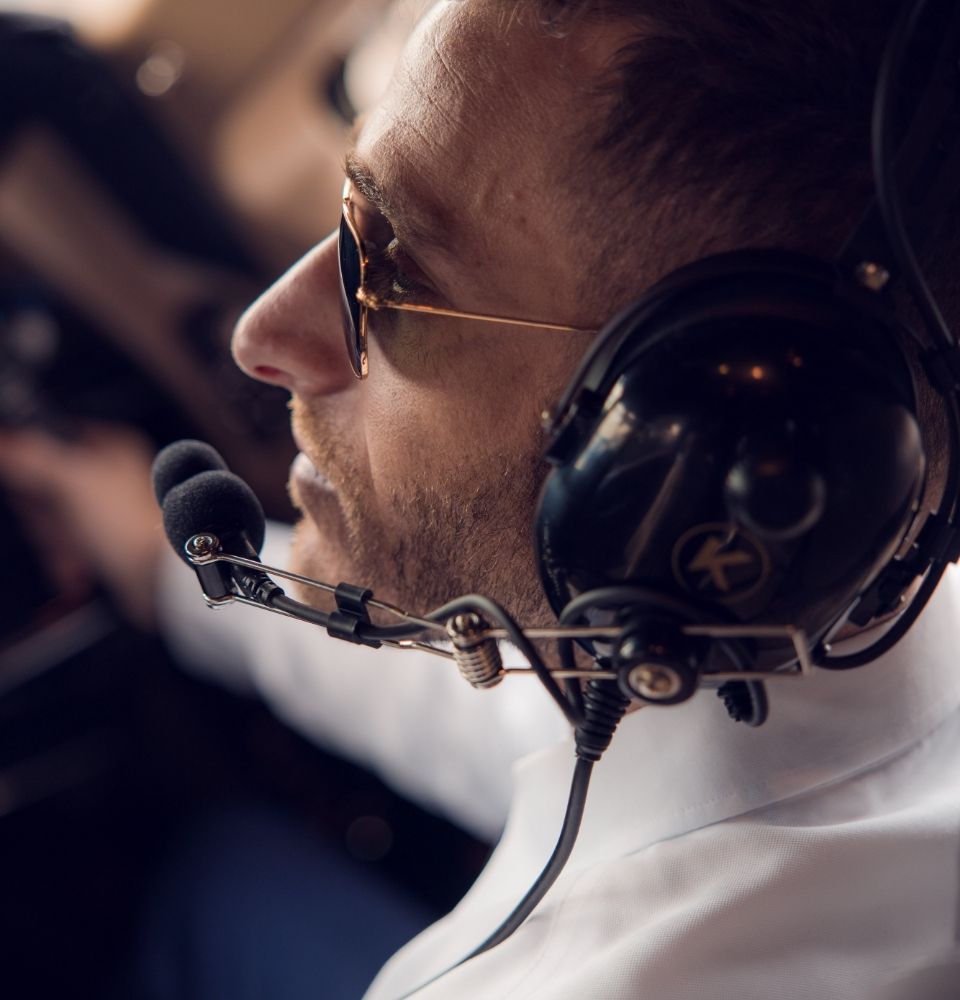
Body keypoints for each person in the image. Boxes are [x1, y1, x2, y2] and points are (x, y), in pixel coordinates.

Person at [4, 1, 960, 998]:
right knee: (217, 874)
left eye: (397, 274)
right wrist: (174, 580)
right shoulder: (835, 641)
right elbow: (501, 713)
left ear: (702, 431)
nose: (263, 334)